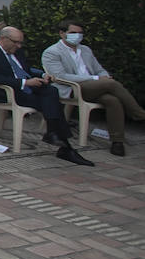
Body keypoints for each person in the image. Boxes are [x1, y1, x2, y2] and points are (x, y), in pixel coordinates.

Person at [0, 26, 92, 165]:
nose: (19, 45)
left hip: (25, 88)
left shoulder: (17, 51)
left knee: (52, 91)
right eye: (16, 42)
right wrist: (25, 82)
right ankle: (63, 144)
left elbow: (25, 68)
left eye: (20, 43)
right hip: (5, 92)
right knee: (51, 103)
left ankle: (56, 137)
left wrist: (42, 74)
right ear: (3, 39)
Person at [41, 20, 144, 157]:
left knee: (112, 100)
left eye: (80, 33)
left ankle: (117, 142)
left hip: (92, 88)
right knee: (111, 84)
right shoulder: (52, 52)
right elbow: (61, 76)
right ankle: (139, 114)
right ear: (62, 33)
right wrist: (96, 79)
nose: (77, 36)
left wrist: (103, 77)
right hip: (71, 88)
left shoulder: (86, 50)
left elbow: (99, 70)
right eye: (73, 33)